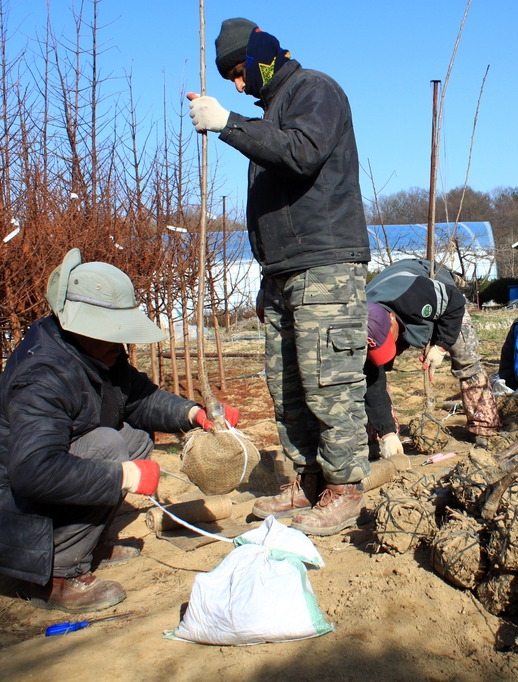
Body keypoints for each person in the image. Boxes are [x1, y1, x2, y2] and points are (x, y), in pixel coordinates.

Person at [0, 249, 235, 614]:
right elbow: (34, 471)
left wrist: (194, 414)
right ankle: (58, 576)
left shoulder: (97, 354)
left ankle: (85, 544)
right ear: (83, 327)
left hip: (20, 500)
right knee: (111, 446)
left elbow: (139, 399)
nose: (123, 342)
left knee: (135, 439)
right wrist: (127, 474)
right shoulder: (45, 374)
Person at [187, 20, 371, 536]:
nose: (239, 86)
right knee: (287, 382)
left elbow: (303, 151)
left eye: (241, 73)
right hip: (283, 271)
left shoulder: (315, 90)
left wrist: (229, 123)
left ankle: (345, 487)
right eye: (231, 81)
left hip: (325, 264)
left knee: (328, 379)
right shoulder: (271, 113)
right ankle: (308, 479)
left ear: (262, 55)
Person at [365, 259, 500, 442]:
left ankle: (484, 425)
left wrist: (441, 346)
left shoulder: (415, 293)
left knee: (465, 358)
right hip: (397, 309)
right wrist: (386, 432)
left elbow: (455, 303)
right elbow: (373, 379)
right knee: (372, 372)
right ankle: (382, 436)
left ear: (391, 319)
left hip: (443, 301)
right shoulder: (362, 323)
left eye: (390, 340)